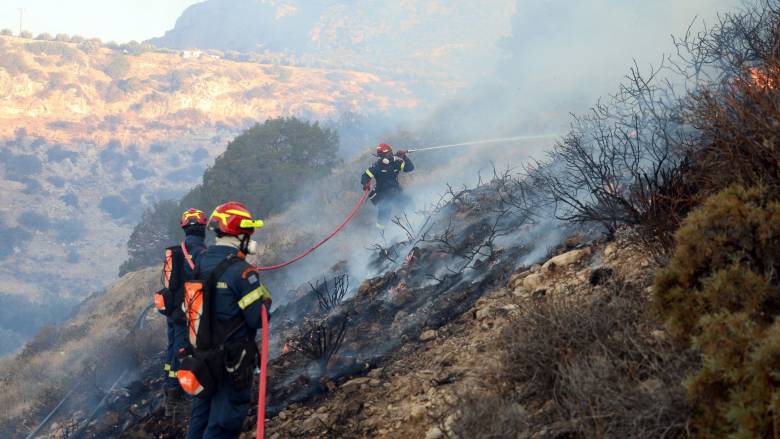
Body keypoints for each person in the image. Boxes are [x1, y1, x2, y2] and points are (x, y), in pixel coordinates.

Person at [186, 201, 271, 439]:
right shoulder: (243, 272)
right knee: (224, 422)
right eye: (248, 234)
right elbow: (257, 319)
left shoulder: (199, 263)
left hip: (202, 357)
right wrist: (263, 296)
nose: (250, 240)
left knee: (200, 417)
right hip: (232, 362)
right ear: (239, 235)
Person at [160, 208, 208, 417]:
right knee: (182, 352)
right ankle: (175, 397)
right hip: (186, 311)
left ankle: (169, 388)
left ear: (184, 228)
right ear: (202, 228)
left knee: (172, 349)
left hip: (172, 311)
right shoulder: (200, 251)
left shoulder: (178, 250)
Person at [360, 143, 415, 229]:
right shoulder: (376, 166)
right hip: (382, 195)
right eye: (387, 154)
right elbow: (365, 176)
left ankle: (414, 222)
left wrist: (404, 157)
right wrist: (365, 183)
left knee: (408, 203)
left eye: (390, 153)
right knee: (384, 213)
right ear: (381, 156)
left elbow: (410, 168)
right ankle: (380, 234)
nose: (390, 155)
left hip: (395, 192)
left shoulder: (397, 163)